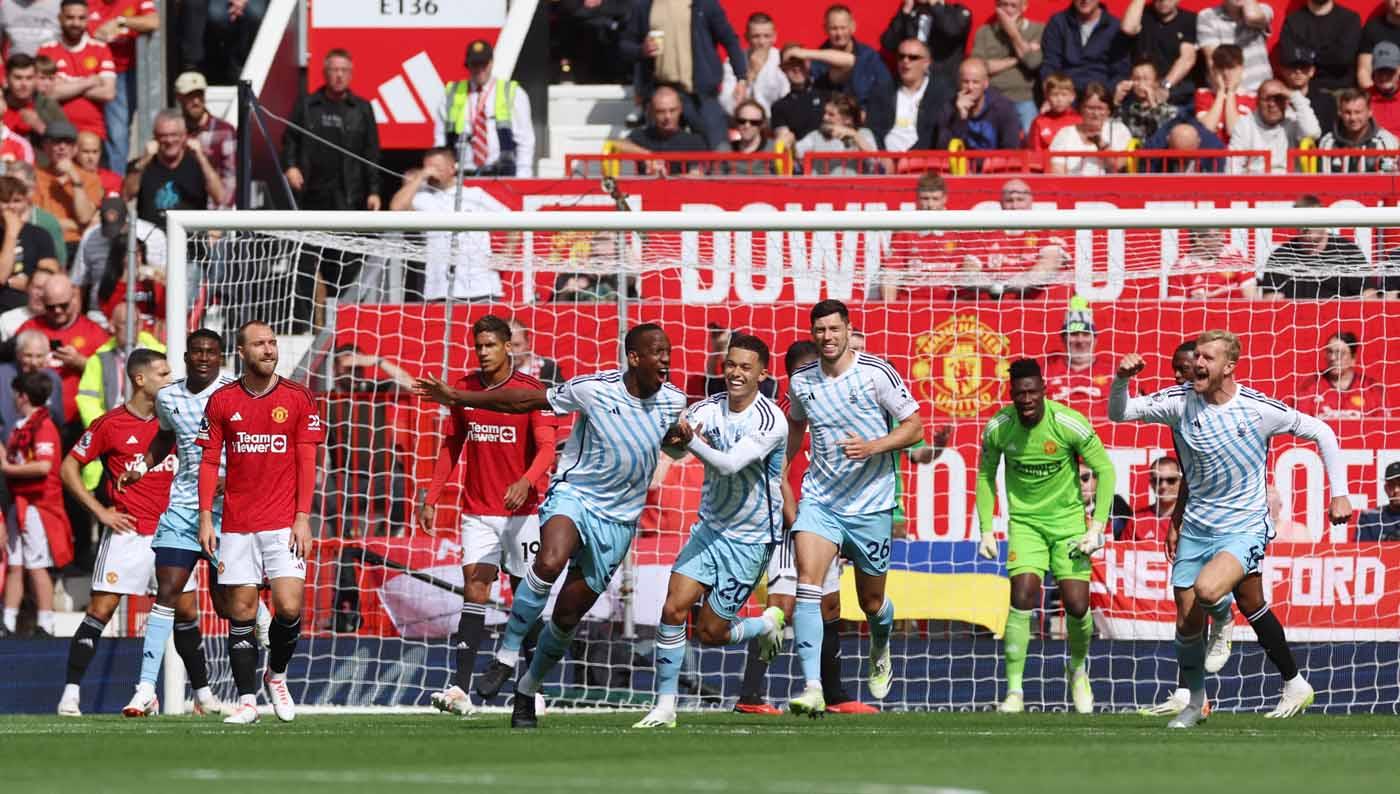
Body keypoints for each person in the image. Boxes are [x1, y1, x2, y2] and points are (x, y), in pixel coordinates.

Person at [413, 323, 687, 729]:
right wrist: (458, 397)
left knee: (565, 618)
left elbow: (671, 445)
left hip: (619, 520)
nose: (666, 358)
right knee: (550, 560)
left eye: (668, 351)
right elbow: (524, 401)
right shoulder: (594, 388)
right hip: (573, 496)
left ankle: (527, 688)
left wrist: (680, 442)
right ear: (634, 357)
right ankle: (504, 656)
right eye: (657, 351)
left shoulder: (674, 401)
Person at [1110, 330, 1351, 726]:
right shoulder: (1178, 403)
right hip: (1198, 528)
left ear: (1229, 367)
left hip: (1244, 526)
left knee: (1208, 591)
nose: (1198, 364)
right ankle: (1195, 703)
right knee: (1187, 622)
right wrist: (1121, 381)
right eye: (1197, 357)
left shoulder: (1257, 409)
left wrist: (1339, 493)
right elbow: (1120, 413)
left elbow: (1322, 431)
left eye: (1207, 358)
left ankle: (1223, 618)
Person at [633, 333, 789, 729]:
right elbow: (672, 449)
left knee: (712, 632)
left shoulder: (771, 420)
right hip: (709, 529)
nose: (735, 373)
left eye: (745, 367)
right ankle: (665, 706)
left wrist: (689, 441)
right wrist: (659, 459)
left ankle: (766, 625)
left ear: (762, 374)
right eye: (731, 365)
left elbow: (728, 465)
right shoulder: (706, 409)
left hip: (750, 540)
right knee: (672, 608)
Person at [117, 329, 267, 717]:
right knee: (166, 591)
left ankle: (254, 675)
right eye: (197, 352)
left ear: (221, 357)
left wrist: (231, 480)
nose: (203, 357)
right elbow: (165, 439)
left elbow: (255, 447)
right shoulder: (168, 397)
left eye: (211, 352)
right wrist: (141, 466)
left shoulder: (238, 394)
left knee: (226, 604)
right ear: (185, 357)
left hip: (228, 511)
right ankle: (146, 688)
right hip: (183, 509)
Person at [783, 300, 923, 716]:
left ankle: (880, 645)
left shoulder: (875, 374)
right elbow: (794, 423)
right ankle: (812, 686)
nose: (827, 337)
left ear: (847, 330)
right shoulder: (801, 382)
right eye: (819, 330)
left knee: (872, 602)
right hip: (821, 500)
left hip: (871, 505)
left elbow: (915, 426)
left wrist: (873, 447)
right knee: (808, 583)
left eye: (834, 329)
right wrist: (781, 469)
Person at [54, 348, 210, 716]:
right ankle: (71, 695)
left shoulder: (177, 421)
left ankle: (203, 696)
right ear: (140, 379)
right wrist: (100, 512)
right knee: (100, 610)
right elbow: (68, 468)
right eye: (163, 374)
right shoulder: (111, 425)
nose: (171, 379)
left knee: (187, 613)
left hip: (172, 532)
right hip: (128, 533)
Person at [421, 315, 556, 717]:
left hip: (523, 512)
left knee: (525, 597)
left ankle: (530, 688)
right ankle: (460, 688)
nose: (482, 353)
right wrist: (431, 495)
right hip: (478, 511)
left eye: (490, 346)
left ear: (507, 347)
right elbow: (452, 444)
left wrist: (527, 481)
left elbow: (548, 449)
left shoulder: (531, 391)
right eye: (478, 346)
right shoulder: (462, 389)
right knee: (474, 588)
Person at [732, 340, 876, 716]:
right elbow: (776, 472)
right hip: (786, 526)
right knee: (781, 606)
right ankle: (750, 695)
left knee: (829, 605)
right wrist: (795, 518)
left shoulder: (838, 411)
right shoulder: (780, 416)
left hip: (824, 522)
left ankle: (836, 694)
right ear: (794, 376)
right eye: (809, 369)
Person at [196, 320, 325, 725]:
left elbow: (308, 462)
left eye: (272, 343)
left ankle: (277, 674)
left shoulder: (299, 397)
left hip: (284, 522)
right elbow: (207, 461)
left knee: (288, 607)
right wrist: (204, 517)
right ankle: (247, 701)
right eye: (259, 344)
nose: (269, 350)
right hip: (236, 525)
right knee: (242, 613)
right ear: (242, 352)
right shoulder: (221, 401)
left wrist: (303, 518)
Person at [977, 358, 1113, 714]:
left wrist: (1097, 526)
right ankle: (1015, 692)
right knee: (1022, 595)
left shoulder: (1067, 422)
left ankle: (1077, 669)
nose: (1026, 399)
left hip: (1069, 525)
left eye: (1032, 391)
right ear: (1011, 394)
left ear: (1043, 391)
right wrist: (986, 529)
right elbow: (984, 476)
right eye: (1019, 393)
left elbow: (1105, 470)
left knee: (1077, 605)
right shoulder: (998, 427)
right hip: (1026, 525)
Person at [282, 49, 380, 332]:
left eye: (344, 70)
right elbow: (289, 140)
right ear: (325, 73)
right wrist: (290, 166)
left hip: (348, 200)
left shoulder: (362, 108)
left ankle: (341, 327)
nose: (338, 75)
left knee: (346, 267)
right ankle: (301, 327)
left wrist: (374, 190)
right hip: (311, 199)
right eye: (334, 70)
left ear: (351, 74)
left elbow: (371, 153)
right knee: (305, 264)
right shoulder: (307, 105)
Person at [621, 0, 747, 150]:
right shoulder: (644, 6)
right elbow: (625, 45)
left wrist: (741, 77)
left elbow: (730, 39)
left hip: (702, 94)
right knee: (659, 154)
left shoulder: (705, 4)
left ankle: (718, 172)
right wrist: (641, 50)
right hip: (663, 94)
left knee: (719, 148)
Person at [1, 369, 69, 638]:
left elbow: (43, 466)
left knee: (37, 565)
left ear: (23, 396)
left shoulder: (44, 426)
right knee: (16, 563)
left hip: (38, 506)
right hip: (19, 503)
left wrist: (6, 467)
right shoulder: (21, 425)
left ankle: (46, 620)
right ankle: (8, 619)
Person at [388, 147, 502, 302]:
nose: (432, 172)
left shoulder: (475, 195)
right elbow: (396, 208)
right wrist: (420, 176)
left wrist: (500, 257)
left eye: (437, 168)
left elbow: (514, 224)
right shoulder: (424, 198)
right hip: (438, 291)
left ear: (452, 168)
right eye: (428, 168)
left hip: (481, 288)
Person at [17, 272, 108, 427]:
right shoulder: (29, 328)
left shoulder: (94, 332)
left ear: (73, 298)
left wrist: (81, 362)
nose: (57, 311)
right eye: (50, 307)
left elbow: (111, 375)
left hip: (77, 420)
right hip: (35, 420)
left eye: (63, 305)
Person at [433, 40, 534, 177]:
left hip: (502, 175)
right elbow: (440, 138)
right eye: (475, 64)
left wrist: (523, 176)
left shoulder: (514, 93)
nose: (479, 69)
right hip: (462, 175)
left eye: (484, 64)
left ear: (491, 63)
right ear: (467, 65)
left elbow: (525, 140)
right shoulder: (451, 94)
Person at [87, 0, 157, 170]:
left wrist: (121, 21)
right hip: (91, 73)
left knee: (118, 133)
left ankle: (116, 186)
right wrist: (97, 34)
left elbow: (153, 21)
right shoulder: (88, 3)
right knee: (95, 130)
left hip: (126, 72)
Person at [1260, 196, 1376, 300]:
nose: (1307, 226)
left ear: (1325, 220)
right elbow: (1271, 301)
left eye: (1312, 219)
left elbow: (1368, 296)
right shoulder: (1280, 257)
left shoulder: (1347, 252)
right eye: (1301, 220)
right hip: (1296, 320)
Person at [35, 0, 115, 143]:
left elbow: (108, 93)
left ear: (87, 19)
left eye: (81, 18)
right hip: (56, 135)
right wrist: (89, 82)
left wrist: (67, 85)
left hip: (93, 135)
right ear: (60, 18)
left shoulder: (100, 49)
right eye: (70, 17)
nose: (76, 23)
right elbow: (49, 93)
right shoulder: (47, 49)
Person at [71, 194, 164, 316]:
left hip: (144, 311)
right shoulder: (91, 236)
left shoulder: (154, 236)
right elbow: (78, 282)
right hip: (100, 313)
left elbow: (164, 280)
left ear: (127, 219)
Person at [135, 109, 224, 227]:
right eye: (163, 135)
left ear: (184, 136)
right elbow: (127, 195)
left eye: (174, 135)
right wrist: (144, 161)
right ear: (155, 137)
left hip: (190, 239)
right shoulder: (144, 164)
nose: (169, 140)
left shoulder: (198, 163)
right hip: (151, 240)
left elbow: (219, 197)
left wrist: (201, 157)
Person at [884, 172, 963, 302]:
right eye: (925, 198)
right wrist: (889, 310)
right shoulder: (905, 231)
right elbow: (890, 274)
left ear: (944, 199)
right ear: (917, 198)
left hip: (950, 306)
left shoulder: (959, 230)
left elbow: (970, 269)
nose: (930, 205)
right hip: (911, 306)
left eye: (935, 199)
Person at [970, 0, 1045, 131]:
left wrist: (1013, 34)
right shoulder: (985, 32)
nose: (1008, 10)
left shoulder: (1038, 30)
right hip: (991, 98)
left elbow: (1033, 63)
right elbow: (979, 68)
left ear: (1024, 7)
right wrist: (1017, 58)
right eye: (1003, 5)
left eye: (1013, 5)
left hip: (1024, 98)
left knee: (1031, 139)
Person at [866, 39, 949, 152]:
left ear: (926, 63)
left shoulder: (940, 93)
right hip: (884, 160)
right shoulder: (882, 91)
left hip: (921, 161)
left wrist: (908, 158)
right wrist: (884, 156)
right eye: (901, 56)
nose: (905, 61)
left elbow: (933, 135)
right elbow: (874, 130)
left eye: (913, 57)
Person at [805, 4, 894, 105]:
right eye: (834, 28)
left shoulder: (869, 57)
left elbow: (886, 89)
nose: (839, 34)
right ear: (825, 29)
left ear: (853, 27)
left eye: (843, 28)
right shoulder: (817, 62)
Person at [1227, 79, 1319, 175]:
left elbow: (1312, 133)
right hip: (1257, 185)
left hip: (1290, 184)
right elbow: (1233, 163)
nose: (1272, 104)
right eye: (1267, 99)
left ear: (1286, 101)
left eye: (1277, 98)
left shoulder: (1294, 120)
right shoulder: (1245, 123)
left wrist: (1292, 94)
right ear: (1257, 102)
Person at [615, 85, 710, 177]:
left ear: (680, 109)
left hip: (681, 192)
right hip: (646, 192)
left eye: (672, 110)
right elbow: (616, 145)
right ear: (651, 111)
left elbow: (697, 176)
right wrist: (649, 156)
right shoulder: (642, 136)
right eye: (661, 111)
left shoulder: (694, 141)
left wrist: (665, 178)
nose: (667, 117)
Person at [933, 57, 1022, 152]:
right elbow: (943, 149)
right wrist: (960, 118)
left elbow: (1011, 149)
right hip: (961, 166)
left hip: (994, 165)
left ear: (986, 83)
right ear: (959, 83)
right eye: (965, 82)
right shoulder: (949, 108)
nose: (970, 87)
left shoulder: (1003, 108)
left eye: (975, 82)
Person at [1121, 0, 1199, 109]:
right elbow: (1128, 28)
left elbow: (1187, 59)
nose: (1163, 1)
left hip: (1174, 89)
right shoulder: (1143, 15)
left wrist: (1165, 86)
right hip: (1141, 86)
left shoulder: (1189, 20)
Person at [34, 119, 99, 248]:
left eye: (68, 142)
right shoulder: (35, 176)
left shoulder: (90, 179)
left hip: (78, 244)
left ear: (75, 149)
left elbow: (84, 217)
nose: (62, 147)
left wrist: (74, 177)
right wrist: (76, 226)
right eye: (56, 142)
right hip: (45, 242)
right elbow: (37, 221)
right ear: (45, 146)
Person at [1040, 0, 1131, 92]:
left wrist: (1106, 94)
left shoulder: (1114, 26)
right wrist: (1055, 95)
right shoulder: (1058, 23)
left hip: (1101, 95)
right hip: (1065, 95)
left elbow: (1120, 71)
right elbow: (1050, 64)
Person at [175, 71, 235, 208]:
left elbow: (231, 181)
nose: (196, 101)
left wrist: (220, 220)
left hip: (213, 213)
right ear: (179, 97)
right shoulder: (173, 132)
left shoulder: (225, 131)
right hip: (180, 208)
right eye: (190, 96)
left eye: (199, 95)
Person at [1294, 331, 1386, 421]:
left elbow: (1382, 426)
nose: (1333, 358)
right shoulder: (1310, 386)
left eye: (1340, 353)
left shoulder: (1371, 389)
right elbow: (1300, 425)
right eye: (1330, 352)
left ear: (1353, 358)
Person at [1042, 298, 1115, 407]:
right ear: (1063, 338)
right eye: (1074, 334)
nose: (1080, 340)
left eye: (1086, 334)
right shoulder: (1045, 371)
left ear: (1095, 340)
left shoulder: (1114, 374)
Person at [1278, 0, 1360, 94]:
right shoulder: (1293, 21)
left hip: (1342, 91)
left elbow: (1343, 59)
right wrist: (1329, 54)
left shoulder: (1350, 19)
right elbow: (1290, 58)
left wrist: (1307, 54)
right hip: (1304, 91)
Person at [881, 0, 972, 84]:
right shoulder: (911, 14)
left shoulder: (957, 12)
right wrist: (905, 11)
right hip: (911, 84)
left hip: (943, 85)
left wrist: (935, 5)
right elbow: (889, 43)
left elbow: (952, 30)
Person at [0, 174, 59, 304]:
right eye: (4, 201)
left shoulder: (39, 234)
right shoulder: (10, 232)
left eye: (16, 201)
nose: (11, 206)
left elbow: (50, 275)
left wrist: (29, 284)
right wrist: (11, 233)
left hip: (30, 309)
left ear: (26, 203)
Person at [1049, 82, 1131, 175]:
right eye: (1090, 108)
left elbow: (1118, 166)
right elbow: (1057, 171)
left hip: (1109, 188)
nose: (1095, 114)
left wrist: (1102, 145)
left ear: (1108, 110)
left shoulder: (1119, 130)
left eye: (1100, 108)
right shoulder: (1065, 134)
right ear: (1081, 109)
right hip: (1072, 188)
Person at [718, 12, 790, 117]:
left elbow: (788, 101)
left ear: (774, 37)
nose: (761, 42)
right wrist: (751, 74)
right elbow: (727, 105)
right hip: (745, 123)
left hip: (775, 123)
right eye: (756, 36)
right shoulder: (733, 62)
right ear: (747, 37)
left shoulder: (782, 60)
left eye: (767, 36)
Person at [1195, 0, 1274, 93]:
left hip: (1262, 91)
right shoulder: (1207, 16)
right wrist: (1228, 94)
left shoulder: (1263, 9)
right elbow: (1213, 60)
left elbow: (1252, 17)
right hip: (1233, 92)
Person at [794, 94, 878, 176]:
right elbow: (796, 153)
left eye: (831, 114)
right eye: (825, 113)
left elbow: (874, 162)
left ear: (848, 119)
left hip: (852, 188)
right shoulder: (816, 135)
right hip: (821, 188)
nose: (825, 117)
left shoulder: (863, 133)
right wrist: (789, 141)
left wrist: (854, 135)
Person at [1319, 89, 1399, 173]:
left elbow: (1388, 181)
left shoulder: (1385, 142)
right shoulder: (1328, 143)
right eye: (1347, 112)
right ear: (1340, 113)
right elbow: (1325, 182)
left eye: (1358, 112)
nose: (1353, 118)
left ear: (1370, 112)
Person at [3, 52, 69, 150]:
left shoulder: (47, 105)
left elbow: (67, 142)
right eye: (18, 78)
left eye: (29, 78)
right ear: (6, 79)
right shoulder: (1, 103)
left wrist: (40, 127)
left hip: (40, 163)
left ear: (35, 79)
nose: (24, 84)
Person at [1169, 226, 1257, 299]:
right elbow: (1176, 310)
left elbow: (1252, 298)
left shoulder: (1233, 256)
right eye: (1216, 235)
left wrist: (1213, 295)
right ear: (1198, 239)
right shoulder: (1180, 269)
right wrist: (1195, 302)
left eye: (1221, 234)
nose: (1223, 238)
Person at [1195, 44, 1253, 144]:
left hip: (1237, 157)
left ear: (1241, 69)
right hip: (1211, 157)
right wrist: (1220, 92)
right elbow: (1207, 129)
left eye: (1231, 68)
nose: (1226, 73)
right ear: (1213, 70)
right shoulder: (1203, 94)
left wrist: (1230, 92)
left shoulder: (1251, 97)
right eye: (1221, 68)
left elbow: (1234, 131)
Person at [770, 44, 827, 145]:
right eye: (790, 64)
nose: (796, 68)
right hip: (802, 157)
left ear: (808, 63)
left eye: (800, 62)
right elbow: (784, 143)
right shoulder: (779, 107)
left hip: (835, 156)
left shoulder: (827, 90)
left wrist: (806, 54)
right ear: (782, 68)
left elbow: (851, 62)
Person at [1278, 45, 1337, 140]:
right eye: (1292, 66)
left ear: (1312, 71)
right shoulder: (1275, 100)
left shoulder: (1326, 101)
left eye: (1303, 67)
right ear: (1283, 70)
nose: (1298, 71)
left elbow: (1328, 137)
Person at [1115, 59, 1180, 140]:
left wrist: (1152, 103)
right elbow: (1114, 129)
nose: (1141, 84)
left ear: (1156, 82)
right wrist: (1116, 100)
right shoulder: (1127, 110)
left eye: (1146, 79)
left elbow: (1166, 132)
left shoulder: (1171, 111)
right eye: (1136, 79)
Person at [1128, 456, 1181, 542]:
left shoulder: (1190, 520)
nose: (1164, 486)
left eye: (1171, 480)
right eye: (1158, 480)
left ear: (1181, 483)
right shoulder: (1136, 521)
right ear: (1151, 483)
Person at [1027, 72, 1081, 152]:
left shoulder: (1079, 121)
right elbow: (1035, 151)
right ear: (1046, 96)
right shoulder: (1039, 122)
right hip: (1047, 163)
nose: (1059, 99)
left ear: (1072, 97)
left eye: (1064, 95)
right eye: (1054, 95)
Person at [1080, 459, 1132, 538]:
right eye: (1074, 481)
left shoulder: (1115, 504)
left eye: (1085, 478)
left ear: (1097, 480)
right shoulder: (1063, 510)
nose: (1080, 484)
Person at [508, 319, 563, 390]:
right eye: (507, 346)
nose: (512, 351)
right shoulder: (492, 372)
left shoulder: (548, 369)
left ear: (528, 342)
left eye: (517, 345)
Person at [1359, 0, 1400, 91]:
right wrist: (1374, 97)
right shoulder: (1373, 28)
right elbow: (1364, 71)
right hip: (1379, 93)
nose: (1398, 1)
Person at [1356, 462, 1400, 542]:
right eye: (1391, 485)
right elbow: (1362, 551)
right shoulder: (1370, 518)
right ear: (1385, 488)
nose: (1396, 490)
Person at [1369, 42, 1400, 137]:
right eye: (1380, 71)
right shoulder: (1363, 97)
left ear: (1399, 70)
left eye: (1389, 71)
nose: (1384, 76)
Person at [74, 130, 117, 195]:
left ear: (100, 153)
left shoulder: (112, 179)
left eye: (95, 152)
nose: (91, 157)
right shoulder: (70, 176)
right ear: (76, 152)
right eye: (86, 151)